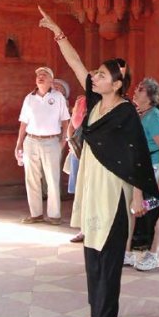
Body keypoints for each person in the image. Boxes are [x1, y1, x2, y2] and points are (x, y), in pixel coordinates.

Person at [38, 6, 159, 317]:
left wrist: (138, 196)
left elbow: (137, 156)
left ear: (118, 84)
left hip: (114, 189)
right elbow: (77, 64)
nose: (95, 77)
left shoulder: (125, 112)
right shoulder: (94, 104)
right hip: (92, 185)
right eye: (96, 74)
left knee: (108, 256)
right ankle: (99, 314)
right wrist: (56, 30)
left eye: (103, 75)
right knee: (92, 251)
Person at [124, 77, 159, 271]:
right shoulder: (138, 113)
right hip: (139, 167)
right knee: (135, 210)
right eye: (136, 88)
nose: (135, 91)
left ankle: (152, 254)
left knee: (151, 212)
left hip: (153, 168)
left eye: (141, 89)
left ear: (151, 96)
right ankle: (131, 252)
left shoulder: (154, 116)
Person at [15, 67, 70, 225]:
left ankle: (54, 215)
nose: (40, 77)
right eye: (38, 75)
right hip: (31, 141)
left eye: (44, 75)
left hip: (51, 141)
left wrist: (62, 141)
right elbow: (23, 122)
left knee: (52, 179)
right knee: (31, 178)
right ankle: (36, 214)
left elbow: (65, 121)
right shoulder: (29, 98)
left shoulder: (58, 97)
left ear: (51, 81)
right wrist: (19, 143)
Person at [67, 95, 87, 243]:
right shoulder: (80, 100)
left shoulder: (102, 101)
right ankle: (83, 229)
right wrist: (72, 144)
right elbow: (71, 125)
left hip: (91, 152)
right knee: (79, 191)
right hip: (77, 150)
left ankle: (90, 229)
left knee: (90, 191)